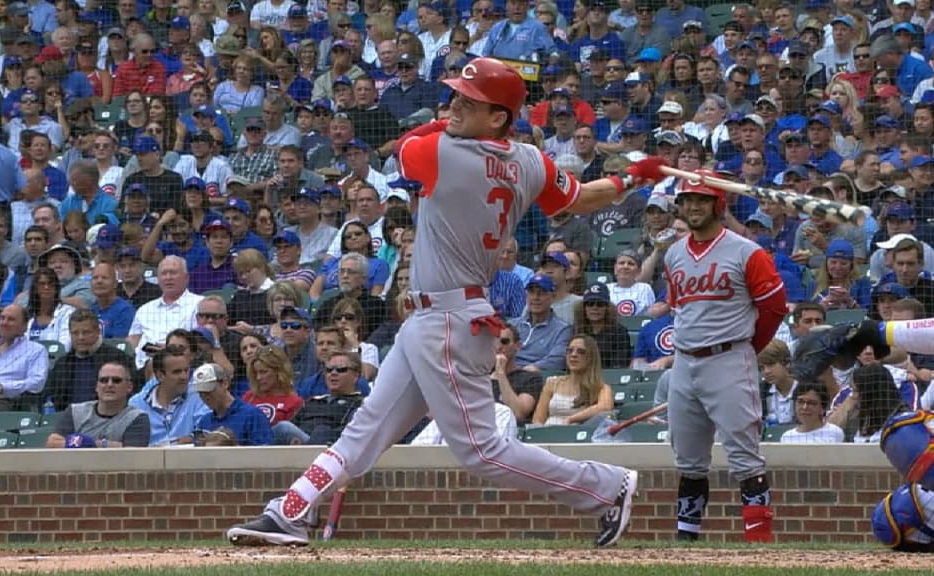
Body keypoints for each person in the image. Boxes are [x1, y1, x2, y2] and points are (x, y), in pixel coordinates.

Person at [227, 58, 669, 549]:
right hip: (434, 317)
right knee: (367, 428)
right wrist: (634, 176)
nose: (453, 104)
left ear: (499, 116)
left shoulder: (446, 152)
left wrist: (451, 122)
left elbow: (406, 146)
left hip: (450, 320)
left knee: (482, 452)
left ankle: (607, 486)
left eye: (467, 100)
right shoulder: (528, 160)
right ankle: (289, 512)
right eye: (455, 96)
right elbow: (581, 198)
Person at [663, 171, 787, 543]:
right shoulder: (673, 253)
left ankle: (758, 543)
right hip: (684, 363)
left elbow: (775, 308)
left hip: (730, 357)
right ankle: (687, 541)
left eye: (701, 199)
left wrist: (748, 347)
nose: (693, 206)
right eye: (687, 200)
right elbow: (678, 307)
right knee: (688, 460)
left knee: (744, 458)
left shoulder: (747, 251)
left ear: (719, 203)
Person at [45, 310, 138, 410]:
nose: (81, 337)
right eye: (75, 333)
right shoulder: (62, 364)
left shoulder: (119, 359)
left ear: (98, 332)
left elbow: (130, 393)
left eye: (86, 332)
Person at [46, 360, 152, 448]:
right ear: (97, 386)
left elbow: (131, 453)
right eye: (104, 380)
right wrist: (106, 445)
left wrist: (87, 443)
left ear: (129, 387)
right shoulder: (75, 411)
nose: (109, 385)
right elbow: (52, 443)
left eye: (116, 380)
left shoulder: (137, 418)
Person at [127, 345, 210, 445]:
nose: (184, 376)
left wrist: (193, 437)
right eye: (177, 372)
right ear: (160, 376)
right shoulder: (137, 404)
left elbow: (207, 433)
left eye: (186, 370)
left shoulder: (199, 397)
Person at [532, 335, 614, 426]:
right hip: (547, 434)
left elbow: (605, 407)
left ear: (590, 358)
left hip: (576, 435)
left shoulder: (601, 387)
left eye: (581, 352)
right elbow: (538, 419)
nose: (573, 355)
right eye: (570, 351)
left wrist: (572, 419)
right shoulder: (552, 383)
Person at [193, 362, 273, 446]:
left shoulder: (252, 416)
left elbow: (264, 454)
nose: (206, 397)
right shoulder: (204, 422)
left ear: (225, 383)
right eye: (201, 393)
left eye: (209, 391)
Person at [779, 382, 844, 444]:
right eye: (800, 401)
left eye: (812, 403)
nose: (805, 407)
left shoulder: (834, 432)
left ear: (823, 408)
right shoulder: (786, 437)